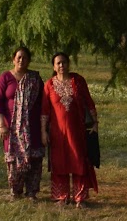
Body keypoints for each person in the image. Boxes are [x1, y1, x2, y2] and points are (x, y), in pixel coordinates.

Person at [42, 52, 98, 207]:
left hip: (78, 131)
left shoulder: (78, 81)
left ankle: (80, 198)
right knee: (60, 162)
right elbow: (45, 111)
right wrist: (43, 131)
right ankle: (61, 197)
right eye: (58, 63)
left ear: (68, 64)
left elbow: (89, 102)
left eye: (64, 62)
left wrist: (95, 123)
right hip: (57, 133)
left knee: (79, 161)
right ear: (53, 66)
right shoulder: (49, 85)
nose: (61, 66)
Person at [0, 45, 44, 200]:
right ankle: (16, 191)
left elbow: (43, 102)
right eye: (19, 57)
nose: (21, 60)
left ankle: (32, 192)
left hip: (32, 126)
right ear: (13, 59)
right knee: (14, 159)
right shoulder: (5, 78)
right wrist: (2, 124)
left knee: (34, 158)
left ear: (29, 61)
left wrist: (43, 127)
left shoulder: (34, 79)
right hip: (12, 128)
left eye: (25, 58)